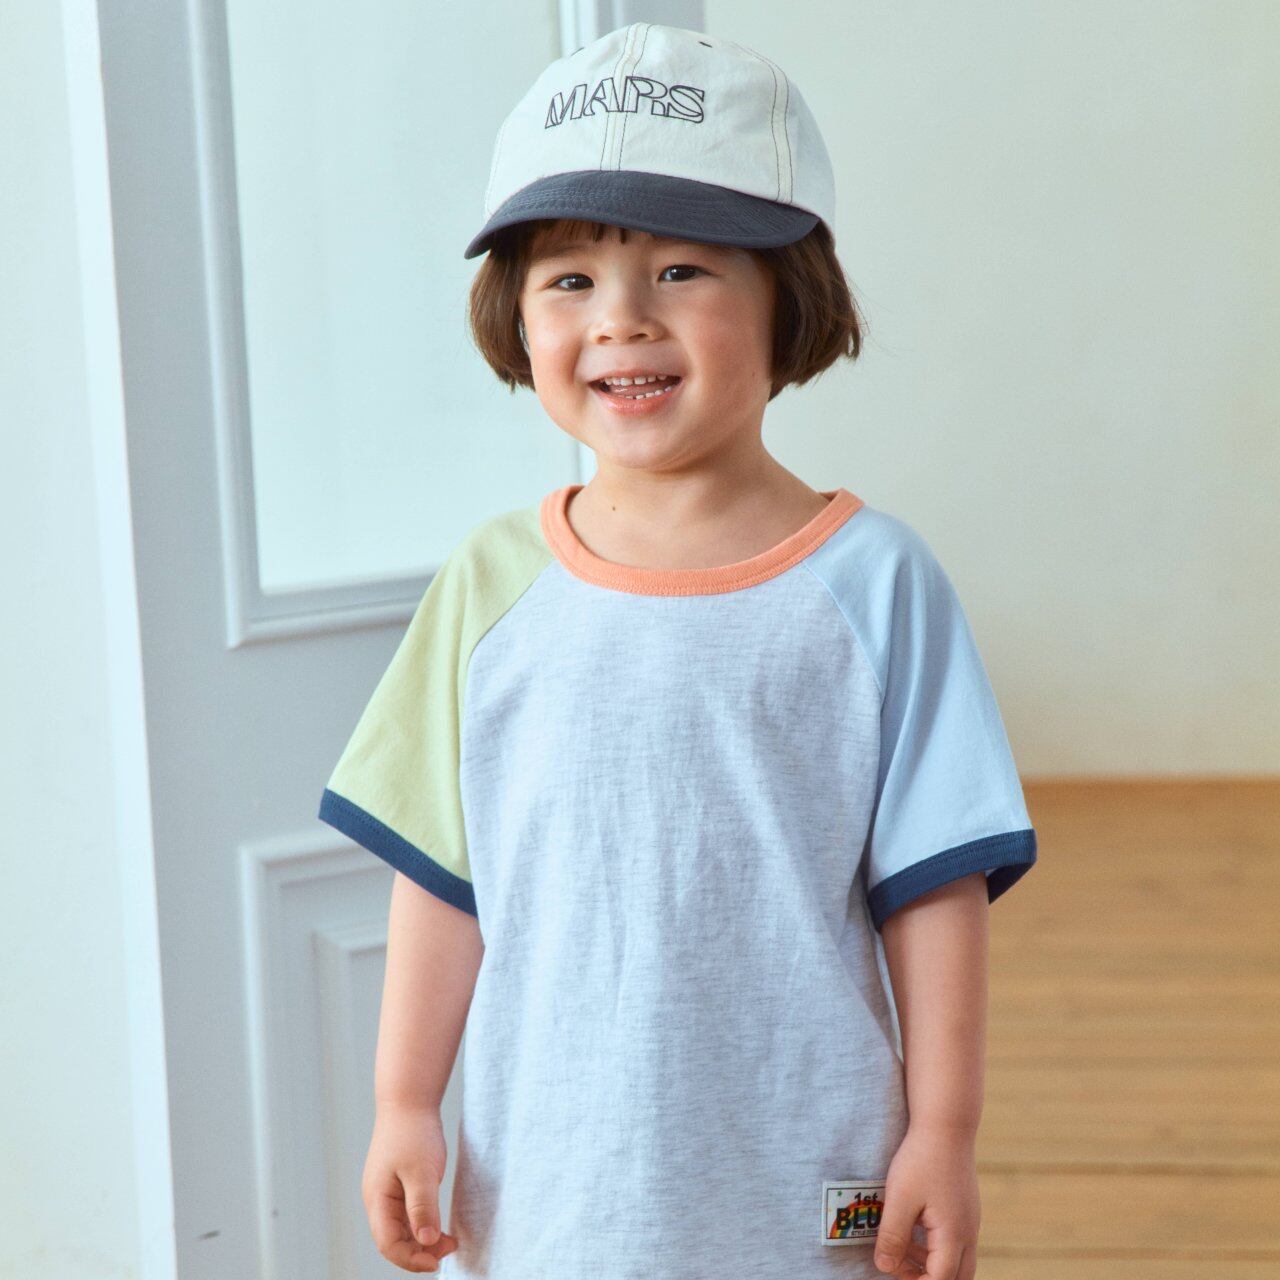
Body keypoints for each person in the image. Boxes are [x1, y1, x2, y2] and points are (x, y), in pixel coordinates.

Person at [317, 22, 1037, 1280]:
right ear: (513, 315)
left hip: (812, 1169)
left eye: (682, 269)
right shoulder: (490, 583)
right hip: (547, 1173)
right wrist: (403, 1101)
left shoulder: (875, 584)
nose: (622, 321)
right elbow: (442, 876)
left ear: (788, 295)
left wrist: (943, 1128)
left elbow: (933, 888)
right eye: (568, 279)